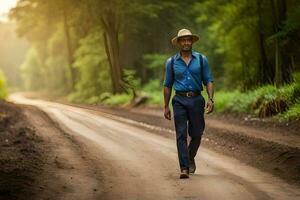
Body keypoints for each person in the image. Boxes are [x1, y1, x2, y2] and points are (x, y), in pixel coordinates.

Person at [163, 29, 214, 179]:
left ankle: (190, 156)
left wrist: (211, 99)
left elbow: (209, 80)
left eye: (188, 40)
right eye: (183, 40)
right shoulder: (171, 62)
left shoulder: (201, 60)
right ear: (178, 43)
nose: (186, 42)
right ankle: (184, 167)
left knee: (197, 133)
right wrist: (166, 106)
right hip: (179, 100)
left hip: (197, 100)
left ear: (192, 41)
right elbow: (167, 85)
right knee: (180, 134)